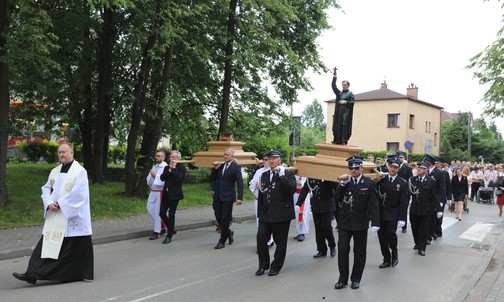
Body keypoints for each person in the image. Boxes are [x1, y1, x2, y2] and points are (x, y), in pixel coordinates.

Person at [13, 143, 93, 284]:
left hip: (72, 217)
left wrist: (61, 204)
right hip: (55, 215)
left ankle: (73, 274)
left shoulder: (80, 171)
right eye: (59, 152)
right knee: (46, 245)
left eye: (64, 152)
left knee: (71, 249)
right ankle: (32, 274)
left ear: (72, 153)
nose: (61, 154)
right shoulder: (54, 171)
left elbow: (80, 194)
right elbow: (46, 188)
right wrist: (49, 203)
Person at [334, 156, 380, 290]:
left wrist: (375, 222)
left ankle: (356, 279)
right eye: (351, 168)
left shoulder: (369, 183)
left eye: (356, 168)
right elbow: (336, 199)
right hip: (345, 222)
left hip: (360, 222)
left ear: (361, 168)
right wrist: (342, 185)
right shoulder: (345, 182)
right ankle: (342, 279)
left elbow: (374, 204)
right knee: (342, 249)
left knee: (359, 252)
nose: (353, 170)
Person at [255, 149, 296, 277]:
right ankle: (263, 265)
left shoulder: (288, 174)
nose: (271, 161)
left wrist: (282, 176)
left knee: (280, 243)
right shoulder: (265, 175)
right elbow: (262, 195)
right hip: (266, 214)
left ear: (280, 160)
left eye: (274, 158)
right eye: (269, 159)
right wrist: (259, 213)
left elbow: (291, 190)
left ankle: (276, 266)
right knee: (261, 239)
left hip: (281, 214)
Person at [376, 157, 409, 268]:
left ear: (398, 169)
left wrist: (402, 218)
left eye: (395, 167)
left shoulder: (402, 183)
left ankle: (394, 253)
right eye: (391, 167)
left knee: (390, 234)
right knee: (381, 237)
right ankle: (386, 258)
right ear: (388, 167)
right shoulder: (381, 180)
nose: (393, 169)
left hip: (393, 213)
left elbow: (404, 203)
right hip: (381, 213)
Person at [210, 148, 243, 249]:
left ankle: (222, 240)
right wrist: (214, 169)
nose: (225, 156)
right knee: (218, 216)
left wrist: (239, 197)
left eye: (227, 155)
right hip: (218, 196)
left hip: (228, 197)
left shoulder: (235, 167)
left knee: (225, 219)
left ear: (232, 156)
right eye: (224, 154)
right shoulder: (221, 166)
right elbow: (213, 178)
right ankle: (228, 232)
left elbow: (240, 182)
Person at [297, 178, 337, 258]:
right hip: (316, 205)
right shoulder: (311, 178)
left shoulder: (327, 177)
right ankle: (322, 249)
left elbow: (335, 186)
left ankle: (332, 245)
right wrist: (298, 204)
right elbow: (305, 190)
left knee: (326, 226)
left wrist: (328, 177)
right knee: (318, 228)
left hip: (327, 205)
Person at [408, 161, 442, 256]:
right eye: (419, 167)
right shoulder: (412, 180)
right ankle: (417, 243)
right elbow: (408, 195)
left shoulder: (431, 181)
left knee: (424, 229)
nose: (419, 169)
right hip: (414, 209)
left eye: (422, 168)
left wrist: (438, 209)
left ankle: (422, 247)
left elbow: (435, 196)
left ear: (426, 170)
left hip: (426, 210)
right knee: (414, 227)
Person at [159, 150, 186, 244]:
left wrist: (174, 169)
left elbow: (178, 179)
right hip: (166, 194)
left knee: (171, 214)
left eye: (173, 157)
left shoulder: (182, 168)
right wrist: (169, 169)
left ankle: (169, 235)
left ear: (178, 159)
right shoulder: (167, 167)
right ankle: (172, 229)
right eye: (171, 157)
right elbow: (162, 178)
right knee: (162, 213)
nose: (171, 159)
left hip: (175, 195)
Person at [249, 154, 274, 247]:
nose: (265, 161)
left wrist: (261, 186)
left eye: (267, 159)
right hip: (258, 200)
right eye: (264, 159)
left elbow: (273, 186)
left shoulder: (273, 171)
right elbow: (252, 182)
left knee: (268, 220)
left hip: (268, 201)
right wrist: (255, 186)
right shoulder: (259, 171)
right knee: (259, 220)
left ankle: (269, 240)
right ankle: (263, 241)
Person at [146, 150, 168, 240]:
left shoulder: (165, 167)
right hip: (153, 191)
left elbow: (163, 180)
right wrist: (151, 175)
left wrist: (155, 175)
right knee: (150, 210)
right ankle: (161, 227)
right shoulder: (155, 166)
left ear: (163, 157)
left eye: (159, 156)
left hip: (160, 192)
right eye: (156, 155)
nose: (157, 157)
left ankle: (156, 231)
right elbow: (148, 180)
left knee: (157, 212)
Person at [331, 68, 355, 145]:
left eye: (345, 85)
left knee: (344, 126)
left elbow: (352, 103)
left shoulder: (350, 94)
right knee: (337, 125)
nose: (343, 86)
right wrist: (334, 77)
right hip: (338, 112)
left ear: (348, 86)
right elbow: (333, 86)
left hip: (345, 113)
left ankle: (343, 141)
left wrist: (345, 102)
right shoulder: (339, 93)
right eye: (342, 85)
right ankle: (336, 140)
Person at [396, 151, 413, 234]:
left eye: (401, 157)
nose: (400, 159)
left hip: (404, 191)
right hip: (395, 191)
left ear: (404, 158)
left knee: (403, 209)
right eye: (399, 157)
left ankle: (404, 226)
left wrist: (409, 192)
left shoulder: (408, 169)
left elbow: (410, 181)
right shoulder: (395, 167)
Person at [293, 174, 310, 241]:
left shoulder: (306, 171)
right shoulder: (294, 172)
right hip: (295, 194)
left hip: (304, 194)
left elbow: (309, 183)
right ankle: (299, 232)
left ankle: (303, 233)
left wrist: (300, 183)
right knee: (297, 213)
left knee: (303, 214)